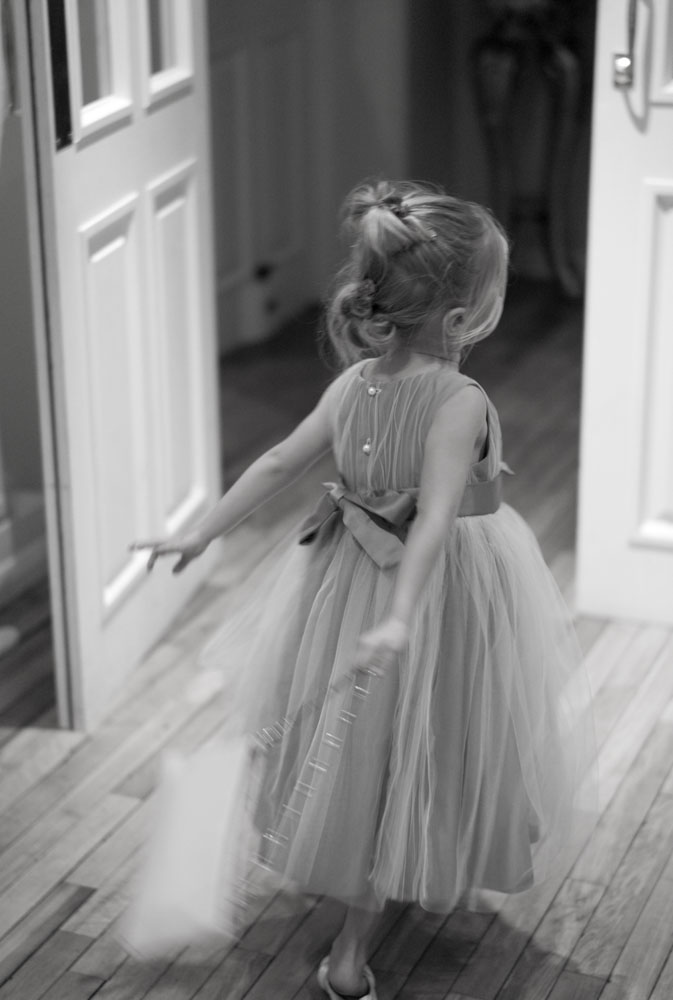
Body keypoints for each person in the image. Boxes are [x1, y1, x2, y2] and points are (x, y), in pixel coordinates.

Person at [131, 180, 594, 1000]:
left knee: (354, 742)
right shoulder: (459, 400)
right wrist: (405, 615)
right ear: (461, 319)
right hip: (435, 593)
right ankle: (351, 951)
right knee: (420, 741)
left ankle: (342, 855)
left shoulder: (355, 384)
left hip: (344, 575)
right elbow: (439, 514)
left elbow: (278, 461)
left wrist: (201, 529)